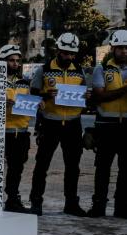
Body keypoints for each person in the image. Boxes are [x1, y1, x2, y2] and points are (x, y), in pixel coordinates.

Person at [29, 32, 89, 217]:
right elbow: (32, 95)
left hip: (73, 124)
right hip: (50, 123)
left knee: (73, 166)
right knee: (42, 164)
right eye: (65, 53)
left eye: (72, 54)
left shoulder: (79, 70)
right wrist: (46, 96)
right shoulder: (44, 70)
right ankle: (36, 202)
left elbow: (85, 93)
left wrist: (87, 96)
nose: (68, 56)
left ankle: (71, 203)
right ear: (58, 51)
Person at [88, 30, 127, 218]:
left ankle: (122, 208)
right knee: (103, 168)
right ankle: (98, 206)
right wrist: (124, 90)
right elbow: (100, 96)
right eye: (120, 48)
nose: (124, 51)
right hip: (106, 126)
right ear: (113, 49)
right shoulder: (101, 68)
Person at [0, 44, 32, 213]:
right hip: (1, 132)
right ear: (2, 61)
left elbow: (29, 103)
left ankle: (12, 199)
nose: (15, 64)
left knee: (16, 169)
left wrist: (38, 104)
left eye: (17, 61)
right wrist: (1, 103)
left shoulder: (24, 82)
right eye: (11, 60)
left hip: (22, 132)